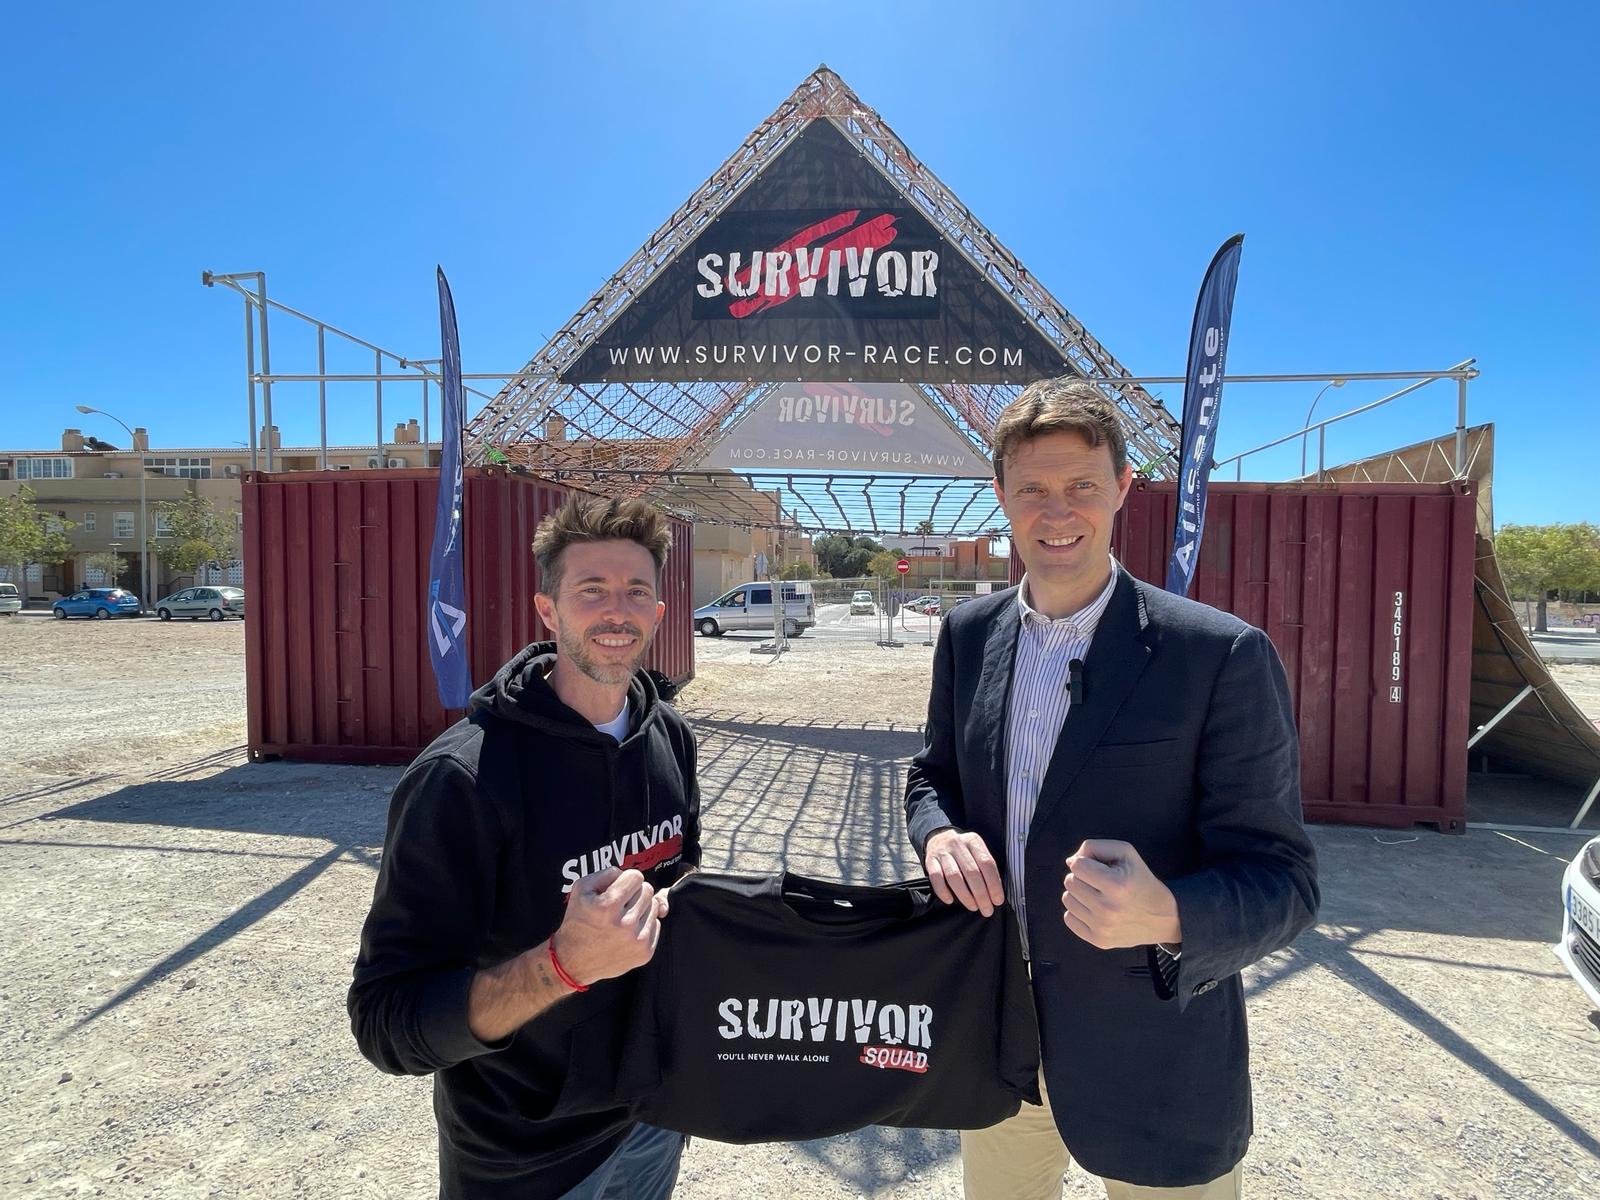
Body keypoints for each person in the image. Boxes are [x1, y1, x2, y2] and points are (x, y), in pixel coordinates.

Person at [905, 378, 1319, 1199]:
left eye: (1081, 487)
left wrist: (1168, 913)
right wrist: (939, 834)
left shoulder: (1218, 657)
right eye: (1032, 490)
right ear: (1000, 496)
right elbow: (932, 776)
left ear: (1124, 488)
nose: (1057, 512)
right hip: (999, 1044)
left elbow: (1286, 881)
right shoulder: (967, 636)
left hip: (1156, 1065)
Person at [349, 495, 700, 1200]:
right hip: (525, 1157)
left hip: (651, 1119)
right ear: (547, 611)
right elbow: (387, 1022)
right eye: (590, 590)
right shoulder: (464, 778)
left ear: (659, 616)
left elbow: (679, 906)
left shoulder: (671, 738)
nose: (616, 611)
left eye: (636, 592)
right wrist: (564, 966)